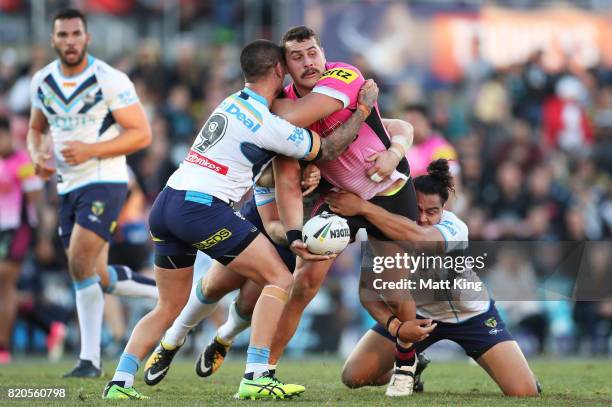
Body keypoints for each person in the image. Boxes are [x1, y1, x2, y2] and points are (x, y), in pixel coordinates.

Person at [102, 39, 380, 400]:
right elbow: (328, 148)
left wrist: (303, 179)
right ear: (280, 71)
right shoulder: (269, 123)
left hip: (167, 203)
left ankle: (119, 383)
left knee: (168, 305)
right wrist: (361, 109)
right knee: (279, 278)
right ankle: (257, 374)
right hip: (201, 207)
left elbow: (266, 167)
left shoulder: (229, 102)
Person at [266, 25, 420, 383]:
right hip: (338, 197)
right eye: (297, 56)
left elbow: (297, 120)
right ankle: (264, 368)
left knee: (394, 286)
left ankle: (408, 361)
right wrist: (310, 168)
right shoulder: (284, 99)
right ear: (285, 66)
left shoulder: (344, 74)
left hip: (387, 190)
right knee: (304, 281)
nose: (308, 62)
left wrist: (394, 151)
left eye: (313, 53)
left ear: (323, 53)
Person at [325, 159, 540, 397]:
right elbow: (368, 295)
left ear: (443, 211)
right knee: (353, 376)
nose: (424, 217)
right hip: (416, 314)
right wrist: (396, 327)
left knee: (524, 392)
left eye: (432, 211)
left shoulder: (455, 227)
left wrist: (363, 208)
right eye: (417, 209)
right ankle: (413, 363)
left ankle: (523, 373)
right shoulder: (382, 231)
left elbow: (418, 239)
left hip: (470, 316)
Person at [27, 8, 156, 378]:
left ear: (87, 38)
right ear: (53, 40)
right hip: (66, 186)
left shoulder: (109, 79)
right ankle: (167, 297)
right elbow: (36, 130)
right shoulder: (43, 81)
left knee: (79, 264)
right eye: (63, 35)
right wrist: (38, 155)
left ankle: (90, 360)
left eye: (75, 34)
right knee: (95, 275)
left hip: (105, 179)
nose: (70, 41)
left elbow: (141, 134)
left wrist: (90, 150)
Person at [0, 117, 46, 364]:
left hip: (18, 230)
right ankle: (48, 327)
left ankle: (3, 347)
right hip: (1, 231)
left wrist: (44, 239)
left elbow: (37, 200)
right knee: (7, 289)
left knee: (5, 284)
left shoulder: (22, 163)